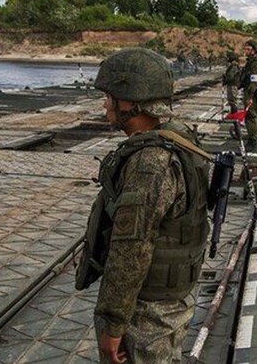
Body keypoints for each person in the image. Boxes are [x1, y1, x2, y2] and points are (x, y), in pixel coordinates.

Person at [74, 48, 210, 363]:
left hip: (147, 315)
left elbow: (131, 252)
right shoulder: (178, 140)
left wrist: (112, 324)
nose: (105, 104)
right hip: (170, 303)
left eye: (109, 97)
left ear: (129, 103)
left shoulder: (150, 163)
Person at [238, 39, 257, 150]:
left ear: (254, 50)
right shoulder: (252, 62)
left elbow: (254, 81)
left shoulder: (255, 63)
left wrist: (249, 96)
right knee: (250, 116)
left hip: (251, 93)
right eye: (245, 48)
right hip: (250, 92)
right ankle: (252, 135)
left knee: (250, 116)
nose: (246, 51)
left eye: (248, 49)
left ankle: (252, 141)